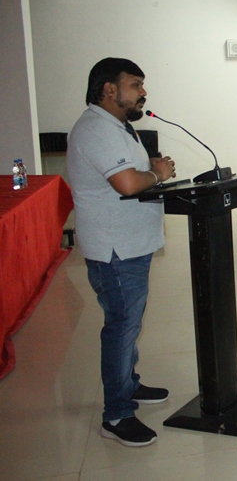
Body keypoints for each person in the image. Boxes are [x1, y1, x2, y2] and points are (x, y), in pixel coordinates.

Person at [66, 58, 177, 447]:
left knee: (130, 322)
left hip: (129, 245)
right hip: (115, 250)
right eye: (135, 84)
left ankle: (128, 384)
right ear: (109, 89)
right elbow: (128, 183)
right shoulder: (96, 129)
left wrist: (155, 169)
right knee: (121, 327)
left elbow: (133, 174)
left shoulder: (118, 127)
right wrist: (159, 172)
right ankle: (116, 414)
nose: (142, 92)